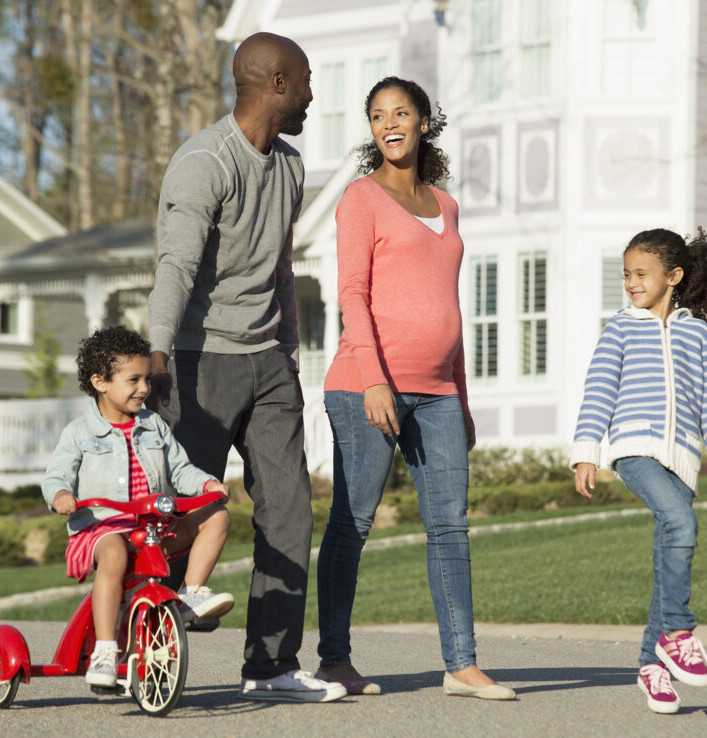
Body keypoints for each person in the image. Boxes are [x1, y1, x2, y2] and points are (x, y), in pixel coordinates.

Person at [147, 32, 345, 703]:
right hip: (197, 360)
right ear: (278, 82)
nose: (315, 94)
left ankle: (270, 668)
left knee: (288, 510)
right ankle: (140, 649)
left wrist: (287, 352)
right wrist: (156, 349)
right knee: (174, 514)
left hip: (267, 363)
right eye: (309, 80)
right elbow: (175, 264)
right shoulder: (204, 160)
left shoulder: (289, 167)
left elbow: (281, 268)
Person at [315, 76, 514, 701]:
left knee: (450, 526)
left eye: (401, 112)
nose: (389, 123)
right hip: (364, 386)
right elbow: (353, 294)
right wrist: (375, 380)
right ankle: (334, 661)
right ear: (372, 129)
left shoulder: (445, 205)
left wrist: (461, 396)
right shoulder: (359, 198)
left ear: (425, 121)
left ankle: (461, 664)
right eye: (378, 116)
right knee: (353, 524)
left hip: (437, 393)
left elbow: (448, 308)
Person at [571, 228, 707, 714]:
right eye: (626, 274)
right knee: (681, 523)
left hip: (683, 459)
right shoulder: (621, 329)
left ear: (672, 277)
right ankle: (678, 632)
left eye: (640, 273)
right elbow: (598, 393)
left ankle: (652, 665)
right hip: (633, 448)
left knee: (669, 549)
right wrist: (586, 450)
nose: (630, 282)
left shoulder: (697, 333)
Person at [42, 326, 234, 689]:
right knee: (114, 555)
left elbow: (180, 469)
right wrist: (60, 496)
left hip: (152, 529)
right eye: (134, 380)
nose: (144, 388)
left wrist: (206, 483)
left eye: (146, 378)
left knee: (216, 515)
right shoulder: (79, 433)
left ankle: (191, 593)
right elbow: (55, 477)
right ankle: (104, 648)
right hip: (101, 531)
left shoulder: (154, 427)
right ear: (101, 382)